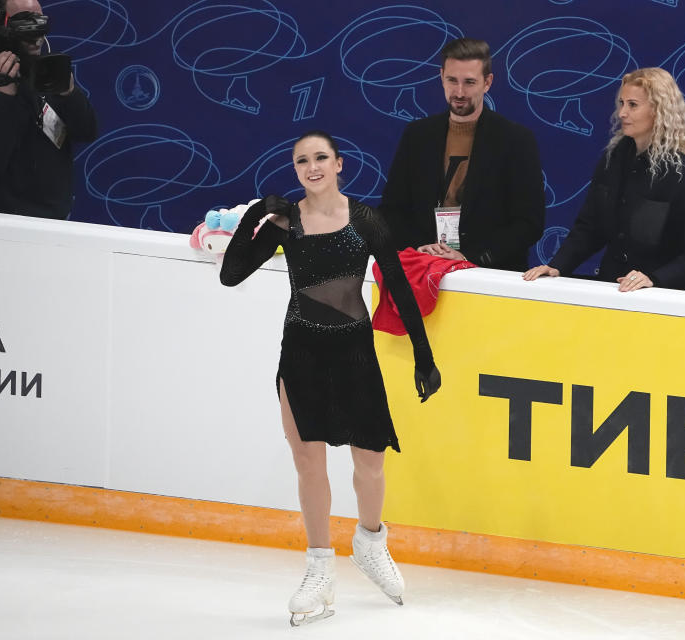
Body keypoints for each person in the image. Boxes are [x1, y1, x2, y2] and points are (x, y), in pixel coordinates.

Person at [219, 130, 441, 627]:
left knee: (371, 462)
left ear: (340, 164)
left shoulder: (366, 220)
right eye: (302, 161)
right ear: (295, 170)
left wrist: (424, 357)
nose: (312, 167)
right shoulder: (286, 221)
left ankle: (370, 541)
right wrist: (257, 216)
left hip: (354, 354)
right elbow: (230, 274)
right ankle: (319, 565)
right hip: (301, 354)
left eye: (321, 158)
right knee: (309, 463)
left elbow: (399, 289)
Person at [523, 67, 685, 291]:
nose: (622, 113)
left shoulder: (683, 174)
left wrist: (654, 278)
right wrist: (557, 266)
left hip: (659, 298)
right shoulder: (613, 159)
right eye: (622, 103)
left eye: (633, 105)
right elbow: (590, 227)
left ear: (658, 110)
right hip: (611, 289)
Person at [379, 37, 545, 271]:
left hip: (489, 276)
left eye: (469, 82)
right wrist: (420, 248)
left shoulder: (516, 140)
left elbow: (529, 223)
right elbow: (391, 210)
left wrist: (469, 257)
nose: (459, 92)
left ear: (487, 82)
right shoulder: (417, 135)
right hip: (423, 269)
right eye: (452, 80)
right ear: (441, 77)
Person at [0, 0, 97, 219]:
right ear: (1, 26)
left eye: (39, 21)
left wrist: (70, 94)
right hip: (0, 224)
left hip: (55, 220)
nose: (36, 35)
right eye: (25, 23)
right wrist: (5, 94)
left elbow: (87, 131)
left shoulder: (47, 74)